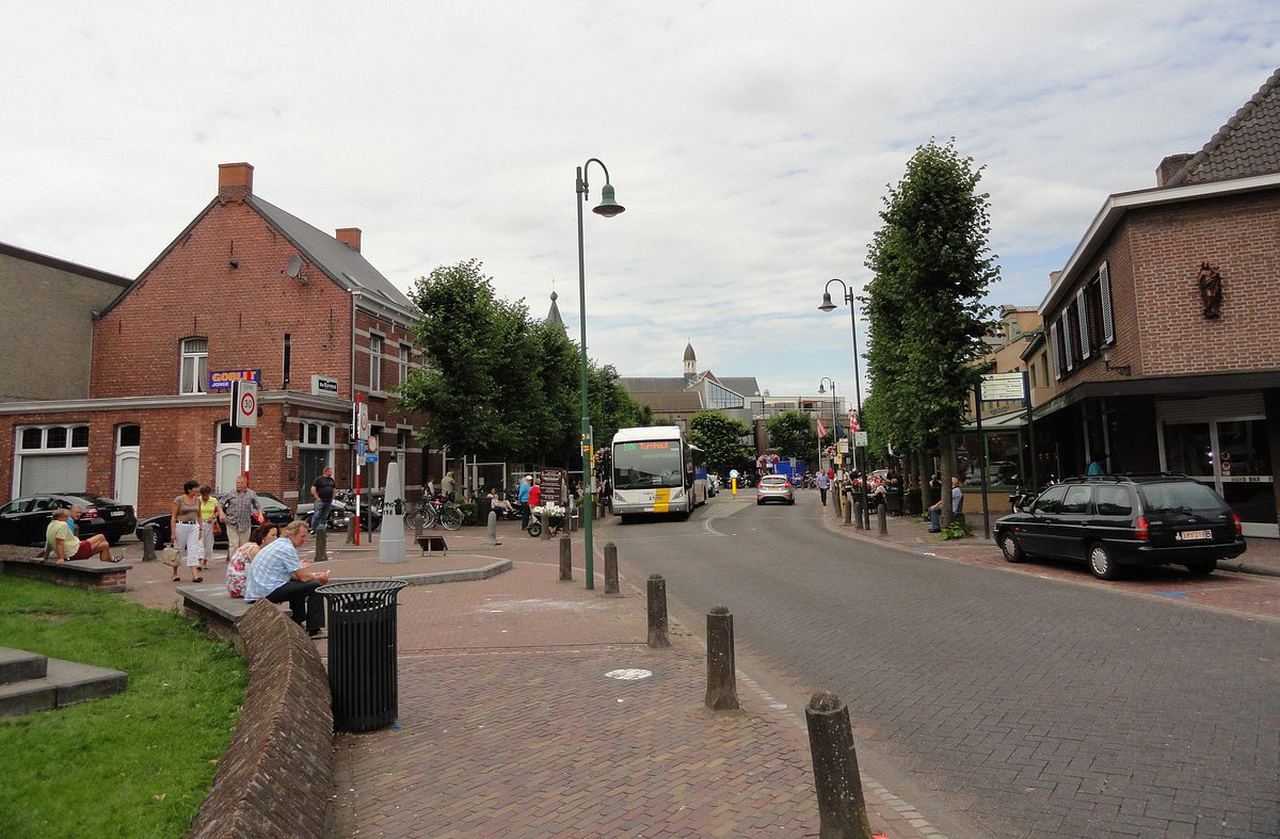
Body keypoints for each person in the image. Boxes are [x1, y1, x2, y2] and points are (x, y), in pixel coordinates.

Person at [245, 520, 330, 637]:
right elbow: (303, 577)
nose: (304, 540)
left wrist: (310, 576)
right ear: (291, 535)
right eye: (302, 536)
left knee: (298, 585)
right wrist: (318, 576)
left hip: (258, 589)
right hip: (266, 591)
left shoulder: (280, 544)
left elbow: (296, 576)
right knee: (315, 586)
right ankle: (315, 629)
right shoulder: (287, 549)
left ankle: (297, 620)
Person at [44, 508, 118, 564]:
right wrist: (61, 558)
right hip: (75, 551)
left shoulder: (51, 525)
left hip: (75, 548)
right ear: (60, 517)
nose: (67, 519)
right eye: (66, 517)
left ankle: (107, 565)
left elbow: (49, 542)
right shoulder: (62, 525)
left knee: (104, 545)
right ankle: (111, 559)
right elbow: (59, 542)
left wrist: (45, 557)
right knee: (101, 536)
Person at [226, 521, 280, 598]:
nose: (275, 538)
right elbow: (264, 571)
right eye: (273, 535)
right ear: (263, 536)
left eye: (277, 535)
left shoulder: (249, 545)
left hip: (233, 586)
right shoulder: (255, 549)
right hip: (241, 587)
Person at [220, 475, 263, 562]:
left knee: (243, 546)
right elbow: (220, 504)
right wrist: (221, 513)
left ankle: (241, 563)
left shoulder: (251, 494)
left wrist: (260, 514)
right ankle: (233, 563)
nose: (239, 485)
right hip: (232, 522)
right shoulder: (231, 493)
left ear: (245, 484)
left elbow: (258, 506)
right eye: (237, 483)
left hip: (245, 524)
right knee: (234, 544)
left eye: (241, 483)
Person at [171, 480, 204, 582]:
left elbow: (199, 515)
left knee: (193, 549)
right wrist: (173, 531)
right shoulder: (179, 499)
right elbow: (173, 516)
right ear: (190, 489)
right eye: (196, 487)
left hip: (193, 526)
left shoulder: (198, 500)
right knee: (179, 549)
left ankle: (195, 575)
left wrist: (201, 529)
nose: (198, 489)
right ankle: (175, 572)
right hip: (181, 525)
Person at [198, 485, 226, 570]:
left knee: (208, 544)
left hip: (210, 524)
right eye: (203, 495)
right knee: (199, 543)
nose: (205, 497)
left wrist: (213, 516)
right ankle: (199, 562)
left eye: (206, 495)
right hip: (200, 523)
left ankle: (205, 562)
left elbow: (218, 511)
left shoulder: (213, 501)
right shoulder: (198, 500)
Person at [309, 466, 336, 534]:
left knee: (324, 516)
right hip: (321, 501)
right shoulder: (319, 479)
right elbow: (313, 489)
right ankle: (314, 530)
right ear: (326, 471)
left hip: (328, 501)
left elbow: (334, 489)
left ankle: (321, 530)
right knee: (317, 515)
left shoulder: (331, 480)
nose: (331, 473)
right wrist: (317, 498)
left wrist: (333, 497)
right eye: (330, 471)